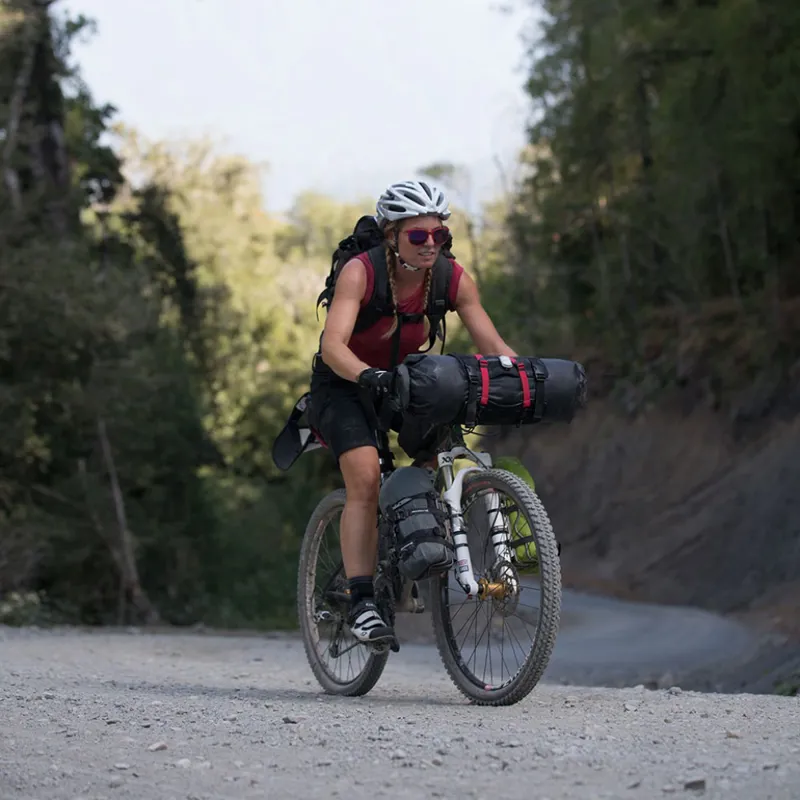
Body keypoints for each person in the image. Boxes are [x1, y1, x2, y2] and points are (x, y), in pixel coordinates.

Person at [307, 179, 518, 644]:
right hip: (344, 385)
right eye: (418, 237)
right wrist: (368, 377)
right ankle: (361, 602)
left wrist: (522, 374)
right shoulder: (361, 273)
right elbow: (333, 345)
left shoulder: (451, 278)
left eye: (438, 236)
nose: (430, 246)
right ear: (392, 235)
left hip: (405, 380)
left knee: (438, 449)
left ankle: (413, 542)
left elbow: (492, 344)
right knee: (364, 477)